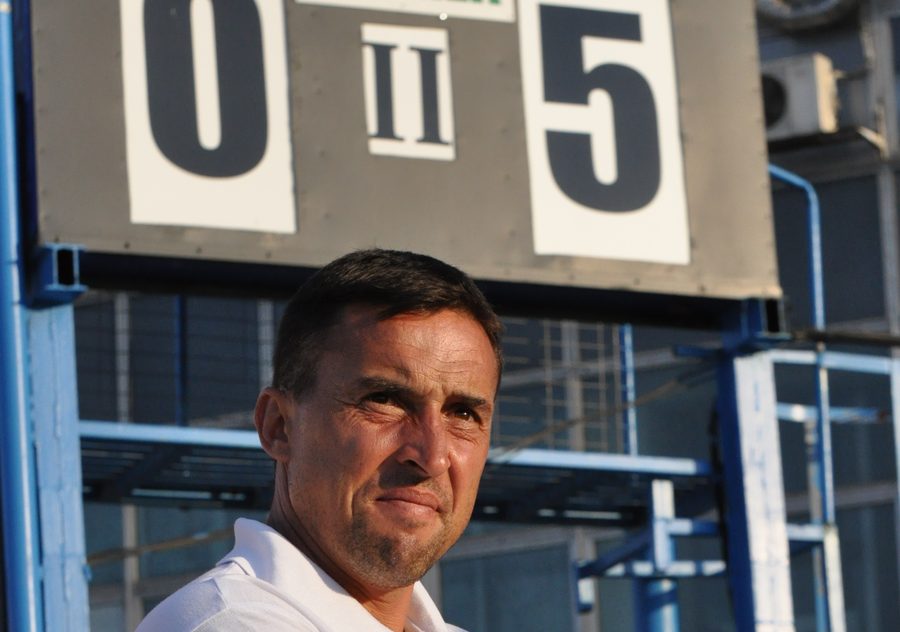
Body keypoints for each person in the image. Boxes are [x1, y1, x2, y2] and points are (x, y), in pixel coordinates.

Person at [137, 249, 503, 632]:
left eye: (463, 414)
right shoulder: (233, 622)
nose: (432, 456)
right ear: (278, 426)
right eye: (384, 400)